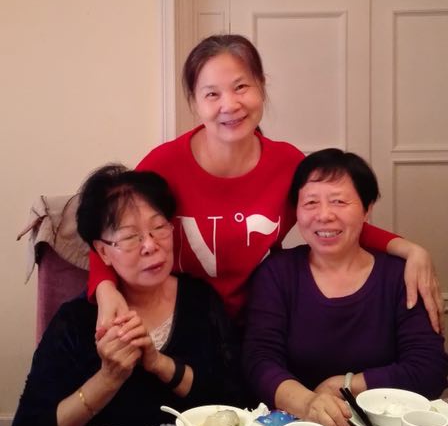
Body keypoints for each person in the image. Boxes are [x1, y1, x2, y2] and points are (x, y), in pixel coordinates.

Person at [89, 34, 442, 330]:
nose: (230, 105)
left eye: (241, 87)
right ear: (194, 102)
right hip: (183, 325)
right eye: (212, 94)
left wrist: (410, 250)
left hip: (260, 323)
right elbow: (110, 234)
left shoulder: (287, 163)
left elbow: (331, 222)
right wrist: (105, 290)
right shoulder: (164, 164)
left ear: (262, 86)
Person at [10, 166, 241, 426]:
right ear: (102, 252)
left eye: (159, 228)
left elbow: (234, 401)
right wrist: (108, 378)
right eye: (130, 237)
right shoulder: (76, 321)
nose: (150, 245)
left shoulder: (199, 299)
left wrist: (159, 364)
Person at [242, 149, 448, 426]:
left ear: (366, 209)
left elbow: (429, 369)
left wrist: (346, 385)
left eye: (339, 201)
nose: (324, 215)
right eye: (310, 202)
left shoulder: (400, 276)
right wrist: (309, 402)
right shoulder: (278, 273)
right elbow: (259, 361)